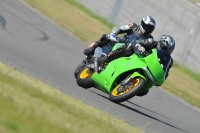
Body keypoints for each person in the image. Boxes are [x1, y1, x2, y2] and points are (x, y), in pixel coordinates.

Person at [83, 16, 156, 56]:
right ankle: (93, 47)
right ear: (143, 24)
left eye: (150, 29)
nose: (148, 30)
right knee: (107, 36)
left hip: (129, 53)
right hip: (120, 42)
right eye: (147, 27)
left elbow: (148, 51)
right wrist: (113, 34)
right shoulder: (134, 26)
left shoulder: (149, 39)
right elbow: (120, 28)